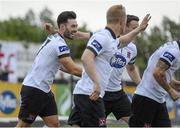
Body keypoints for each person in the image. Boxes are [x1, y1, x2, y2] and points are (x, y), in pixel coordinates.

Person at [68, 4, 151, 127]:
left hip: (88, 94)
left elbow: (124, 41)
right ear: (121, 21)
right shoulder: (103, 37)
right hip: (90, 94)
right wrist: (96, 82)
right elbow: (86, 57)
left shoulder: (112, 40)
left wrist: (139, 29)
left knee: (77, 125)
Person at [16, 11, 83, 127]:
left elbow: (62, 66)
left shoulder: (53, 37)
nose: (76, 30)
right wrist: (95, 76)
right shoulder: (60, 45)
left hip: (44, 91)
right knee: (23, 126)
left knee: (54, 125)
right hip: (34, 90)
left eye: (76, 26)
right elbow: (72, 69)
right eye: (73, 26)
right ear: (62, 27)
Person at [129, 40, 180, 127]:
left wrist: (174, 84)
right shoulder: (174, 51)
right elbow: (157, 73)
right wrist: (171, 91)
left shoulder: (174, 49)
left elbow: (163, 74)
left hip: (158, 100)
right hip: (146, 99)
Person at [103, 14, 141, 124]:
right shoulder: (108, 41)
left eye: (139, 28)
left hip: (117, 94)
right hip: (100, 93)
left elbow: (131, 68)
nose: (138, 31)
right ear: (124, 26)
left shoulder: (132, 49)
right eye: (135, 28)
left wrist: (142, 84)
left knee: (137, 123)